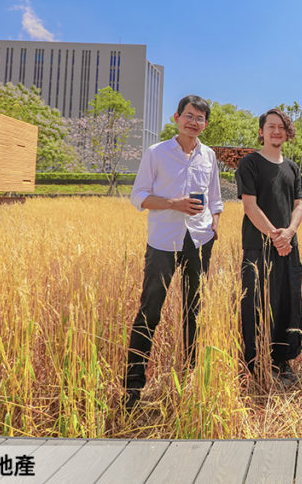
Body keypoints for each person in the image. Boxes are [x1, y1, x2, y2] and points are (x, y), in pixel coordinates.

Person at [124, 94, 223, 409]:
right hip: (164, 243)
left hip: (198, 241)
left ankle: (191, 378)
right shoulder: (156, 153)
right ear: (177, 117)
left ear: (205, 124)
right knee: (149, 312)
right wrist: (172, 203)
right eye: (189, 116)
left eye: (200, 118)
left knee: (194, 312)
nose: (194, 122)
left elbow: (215, 198)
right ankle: (133, 388)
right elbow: (138, 195)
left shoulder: (208, 156)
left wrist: (214, 225)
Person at [236, 108, 302, 385]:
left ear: (286, 132)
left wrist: (288, 233)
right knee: (256, 304)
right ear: (261, 131)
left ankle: (283, 361)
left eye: (281, 127)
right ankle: (256, 364)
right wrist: (274, 236)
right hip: (258, 247)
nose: (276, 131)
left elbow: (299, 204)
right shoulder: (250, 164)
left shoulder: (291, 167)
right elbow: (249, 205)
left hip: (289, 247)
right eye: (271, 127)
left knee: (288, 302)